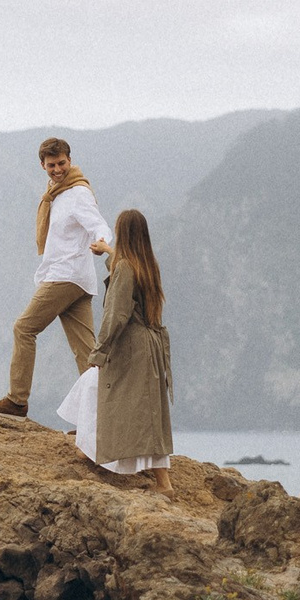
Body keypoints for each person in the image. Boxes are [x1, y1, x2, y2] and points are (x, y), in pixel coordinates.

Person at [0, 137, 111, 418]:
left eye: (62, 163)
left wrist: (102, 242)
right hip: (76, 279)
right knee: (88, 355)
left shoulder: (77, 193)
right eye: (51, 165)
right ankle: (101, 422)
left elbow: (98, 223)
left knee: (23, 328)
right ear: (43, 165)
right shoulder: (55, 194)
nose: (57, 169)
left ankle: (17, 401)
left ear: (70, 160)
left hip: (66, 275)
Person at [83, 207, 173, 491]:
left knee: (90, 390)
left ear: (122, 233)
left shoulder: (124, 267)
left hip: (132, 348)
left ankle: (87, 452)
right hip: (152, 346)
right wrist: (109, 251)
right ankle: (163, 482)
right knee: (152, 415)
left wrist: (99, 351)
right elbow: (125, 270)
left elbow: (116, 315)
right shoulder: (148, 265)